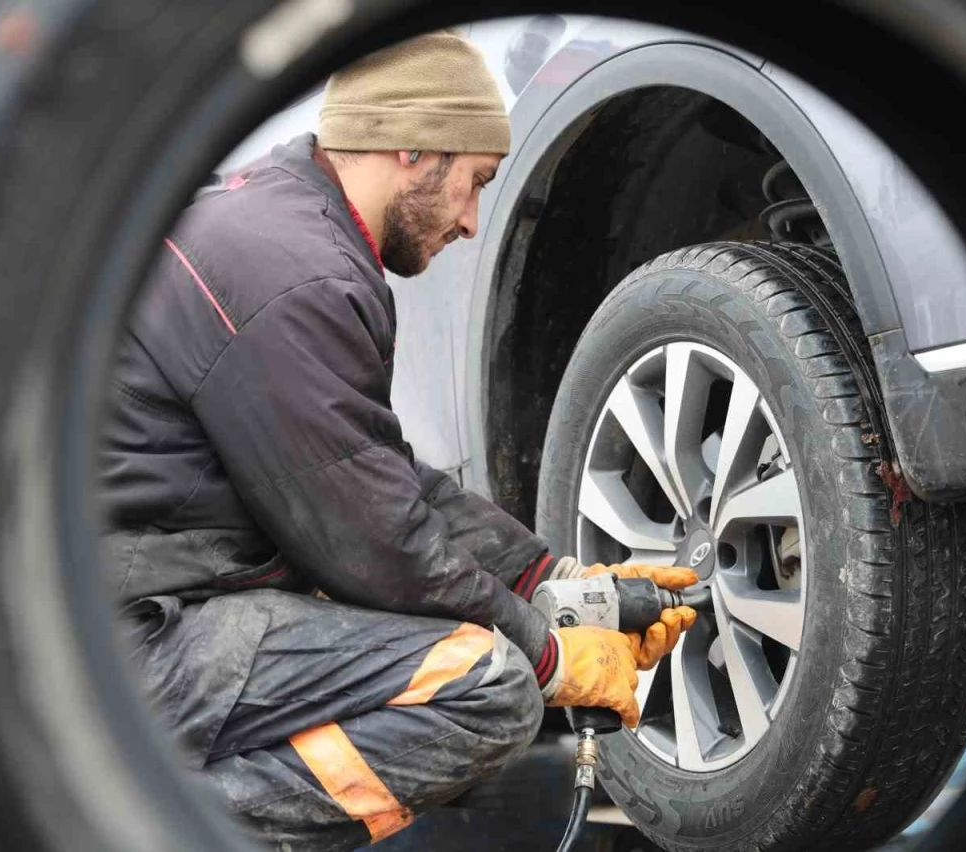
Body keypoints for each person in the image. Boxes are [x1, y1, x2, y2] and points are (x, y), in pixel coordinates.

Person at [99, 31, 697, 851]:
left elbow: (376, 476)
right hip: (146, 642)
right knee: (489, 688)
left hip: (151, 613)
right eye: (474, 183)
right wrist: (550, 655)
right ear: (413, 147)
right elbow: (371, 543)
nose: (472, 220)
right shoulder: (302, 278)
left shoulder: (278, 224)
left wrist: (550, 576)